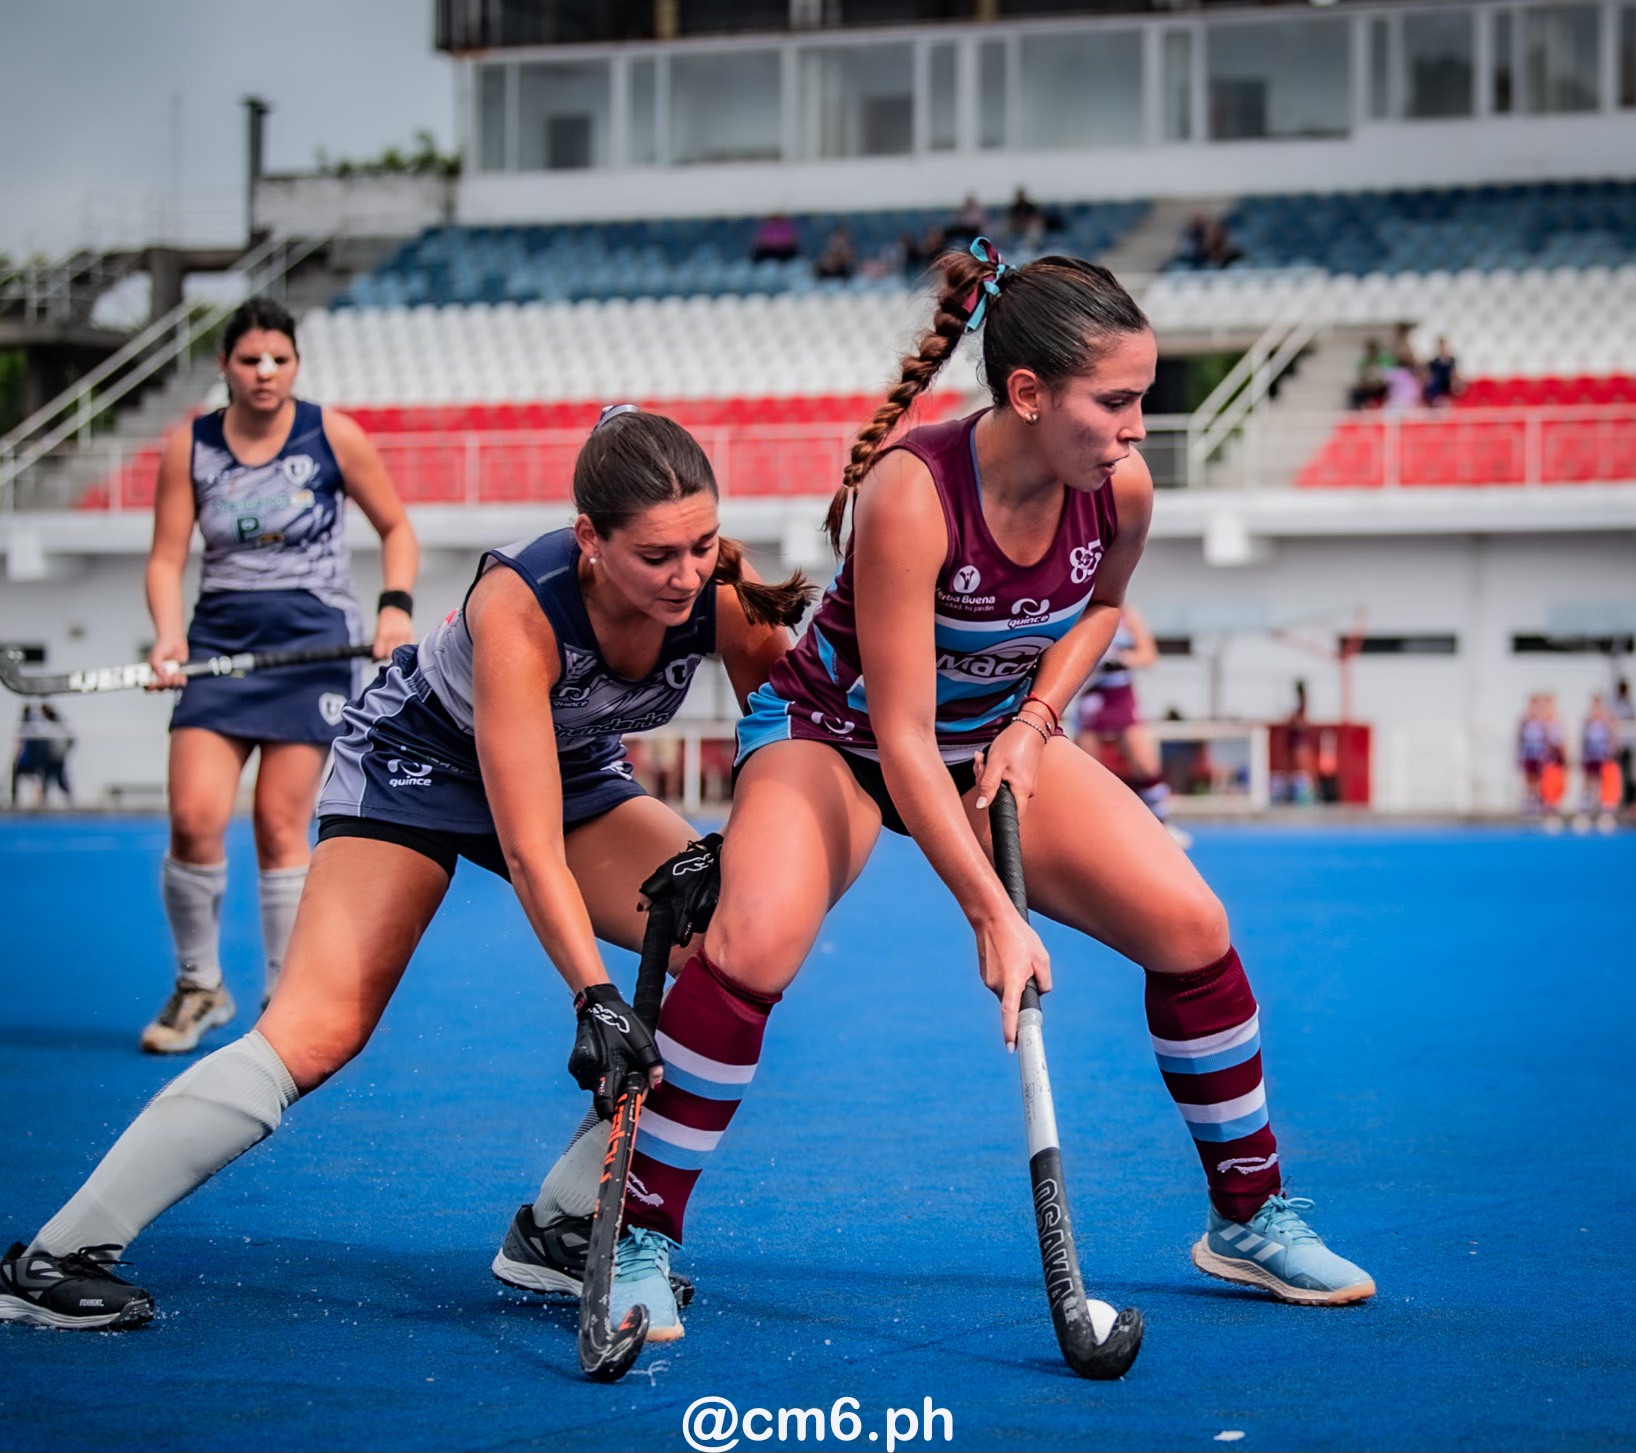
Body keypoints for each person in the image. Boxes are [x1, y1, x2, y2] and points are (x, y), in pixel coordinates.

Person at [574, 239, 1375, 1341]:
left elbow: (1102, 608)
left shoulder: (1118, 488)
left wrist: (1038, 722)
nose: (1139, 429)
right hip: (841, 738)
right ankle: (641, 1234)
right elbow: (899, 740)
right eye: (1120, 401)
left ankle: (1245, 1217)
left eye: (1143, 400)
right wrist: (992, 913)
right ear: (1029, 393)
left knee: (1191, 925)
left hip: (988, 741)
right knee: (753, 943)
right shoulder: (912, 493)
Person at [0, 405, 812, 1332]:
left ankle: (561, 1226)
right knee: (316, 1030)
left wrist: (734, 848)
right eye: (657, 555)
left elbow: (779, 742)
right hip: (416, 765)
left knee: (740, 939)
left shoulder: (724, 592)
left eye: (702, 543)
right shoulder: (519, 605)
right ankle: (52, 1256)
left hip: (577, 771)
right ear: (589, 539)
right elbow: (527, 843)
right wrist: (595, 995)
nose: (687, 574)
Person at [139, 296, 419, 1055]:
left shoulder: (331, 433)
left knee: (277, 821)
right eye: (249, 359)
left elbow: (396, 527)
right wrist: (169, 637)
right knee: (195, 819)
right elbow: (167, 557)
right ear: (225, 367)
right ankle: (201, 984)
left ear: (295, 363)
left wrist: (394, 606)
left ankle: (281, 998)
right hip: (221, 642)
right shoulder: (188, 446)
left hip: (311, 645)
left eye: (279, 359)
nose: (265, 373)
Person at [1072, 606, 1191, 849]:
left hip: (1122, 696)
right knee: (1084, 767)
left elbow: (1148, 655)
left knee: (1145, 764)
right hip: (1089, 694)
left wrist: (1120, 660)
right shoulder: (1078, 611)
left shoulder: (1130, 615)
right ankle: (1087, 830)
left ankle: (1161, 824)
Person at [1517, 691, 1567, 829]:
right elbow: (1520, 739)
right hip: (1529, 755)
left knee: (1543, 785)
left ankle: (1544, 812)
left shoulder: (1547, 721)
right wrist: (1519, 756)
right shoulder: (1525, 720)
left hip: (1541, 757)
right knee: (1529, 785)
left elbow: (1552, 740)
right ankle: (1529, 811)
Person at [1574, 694, 1620, 834]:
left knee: (1604, 785)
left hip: (1603, 757)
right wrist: (1581, 756)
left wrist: (1613, 752)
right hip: (1590, 757)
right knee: (1588, 784)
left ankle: (1605, 814)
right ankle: (1584, 813)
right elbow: (1582, 739)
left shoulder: (1608, 720)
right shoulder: (1588, 721)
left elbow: (1613, 737)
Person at [1421, 336, 1462, 407]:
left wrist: (1454, 381)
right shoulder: (1434, 361)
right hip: (1438, 381)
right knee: (1432, 386)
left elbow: (1453, 373)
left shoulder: (1451, 360)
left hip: (1448, 381)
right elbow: (1431, 375)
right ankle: (1437, 401)